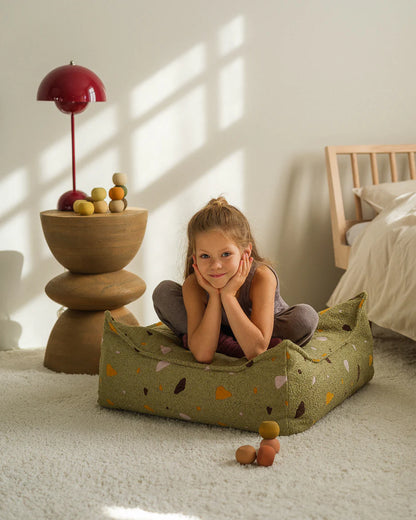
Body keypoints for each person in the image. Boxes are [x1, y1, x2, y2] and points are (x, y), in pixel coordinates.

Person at [152, 197, 318, 363]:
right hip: (219, 330)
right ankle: (229, 345)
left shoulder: (262, 277)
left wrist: (228, 296)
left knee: (305, 318)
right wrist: (215, 296)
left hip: (262, 330)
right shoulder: (194, 284)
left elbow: (257, 350)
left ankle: (219, 344)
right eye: (205, 256)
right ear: (194, 258)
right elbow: (203, 355)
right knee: (163, 293)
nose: (215, 265)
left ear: (245, 253)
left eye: (226, 254)